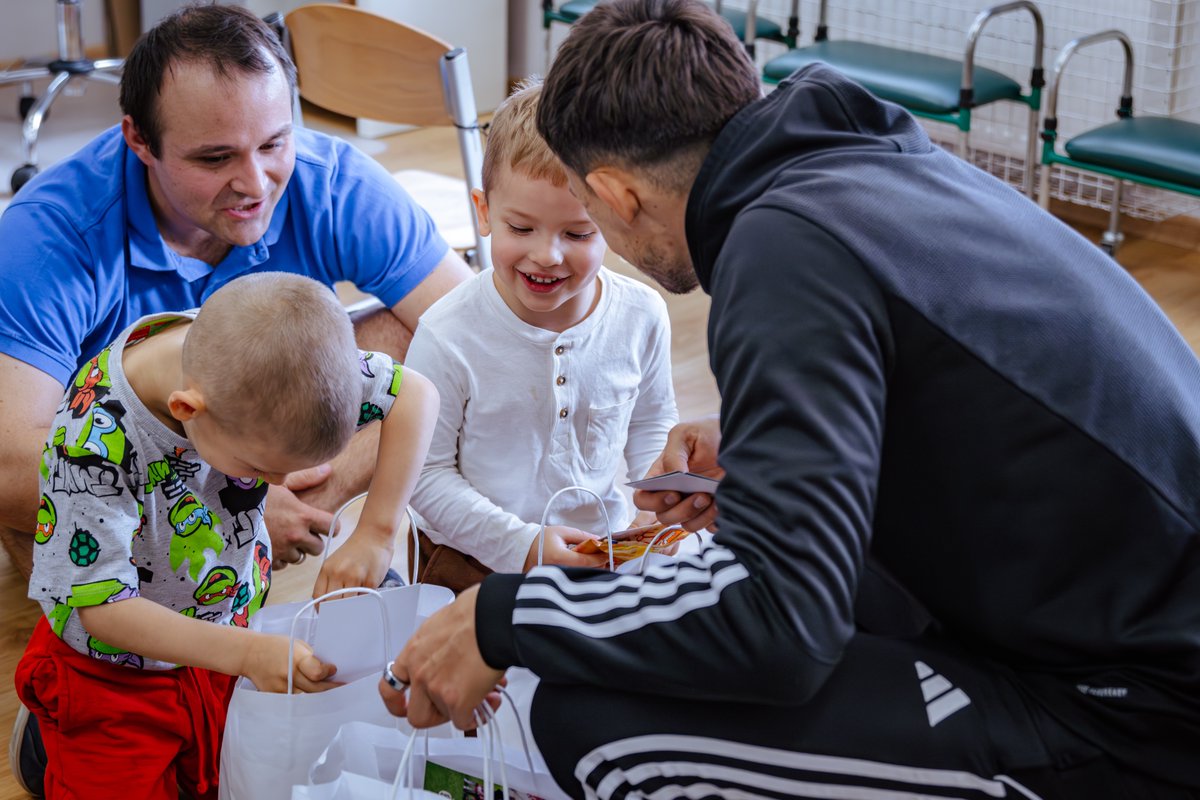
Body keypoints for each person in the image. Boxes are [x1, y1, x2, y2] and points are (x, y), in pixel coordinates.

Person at [378, 1, 1200, 797]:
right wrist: (760, 463)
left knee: (593, 724)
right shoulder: (860, 159)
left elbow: (783, 627)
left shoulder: (780, 252)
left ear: (617, 195)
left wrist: (507, 618)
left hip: (1138, 714)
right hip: (1106, 607)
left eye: (585, 217)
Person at [0, 2, 472, 585]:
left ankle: (259, 543)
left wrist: (340, 491)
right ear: (139, 141)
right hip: (114, 459)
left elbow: (479, 336)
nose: (254, 184)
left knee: (419, 337)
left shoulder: (336, 184)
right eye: (215, 157)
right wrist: (224, 500)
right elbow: (10, 465)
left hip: (254, 444)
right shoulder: (48, 236)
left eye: (274, 143)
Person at [15, 271, 438, 799]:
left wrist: (377, 531)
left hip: (224, 635)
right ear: (188, 410)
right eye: (260, 468)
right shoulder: (89, 443)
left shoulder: (281, 359)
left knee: (220, 778)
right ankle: (47, 739)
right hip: (109, 674)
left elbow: (415, 393)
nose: (279, 488)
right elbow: (102, 607)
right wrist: (247, 653)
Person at [404, 79, 678, 578]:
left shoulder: (642, 314)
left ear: (615, 223)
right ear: (484, 213)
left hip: (601, 551)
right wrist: (524, 545)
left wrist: (660, 505)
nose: (546, 255)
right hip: (470, 559)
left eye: (577, 233)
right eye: (521, 228)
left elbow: (650, 424)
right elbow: (423, 474)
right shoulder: (447, 334)